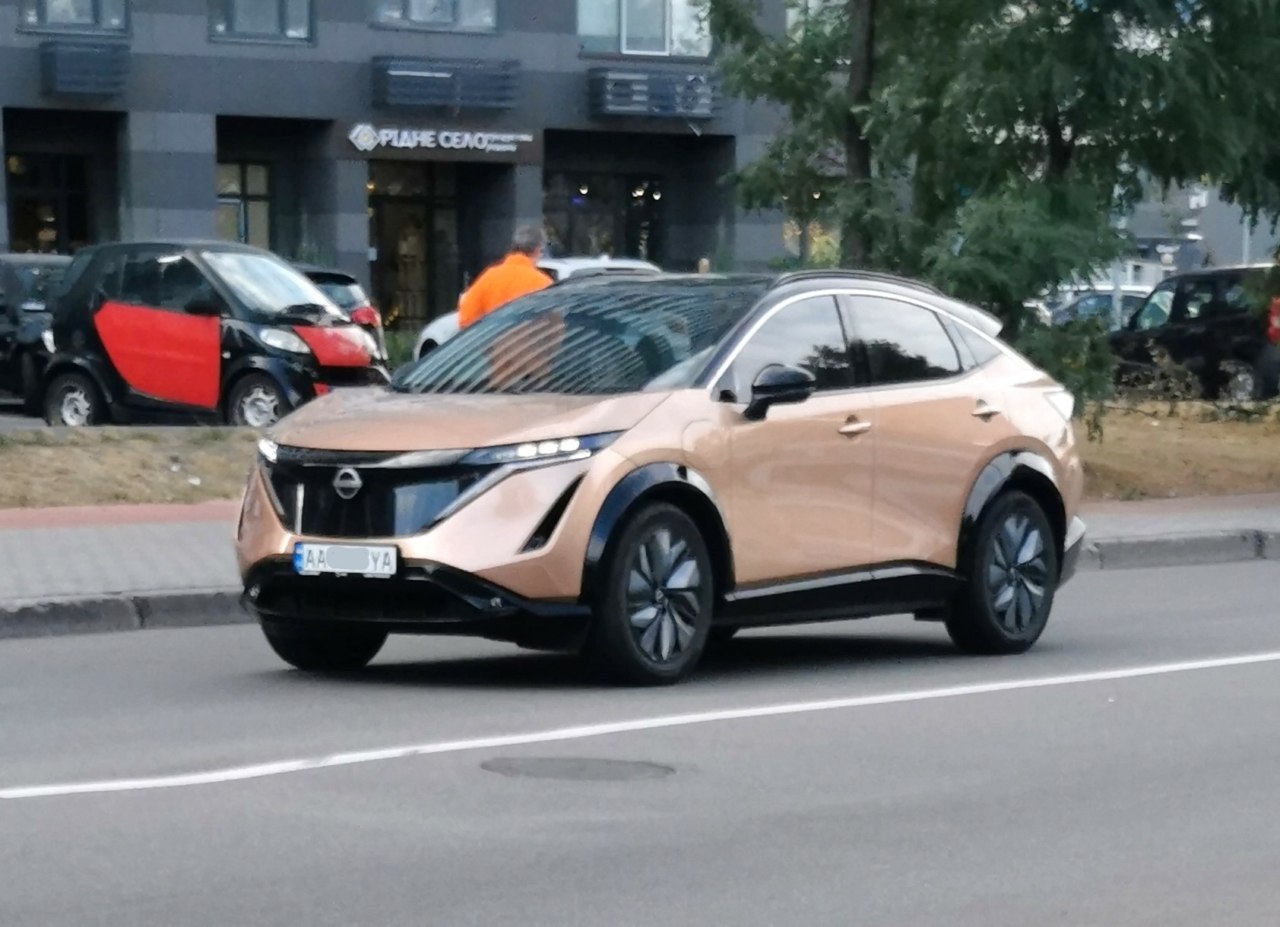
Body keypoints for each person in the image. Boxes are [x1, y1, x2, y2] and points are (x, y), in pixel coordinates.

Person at [457, 224, 553, 329]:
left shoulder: (488, 278)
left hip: (493, 338)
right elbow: (554, 327)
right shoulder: (543, 284)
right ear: (538, 250)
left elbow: (466, 320)